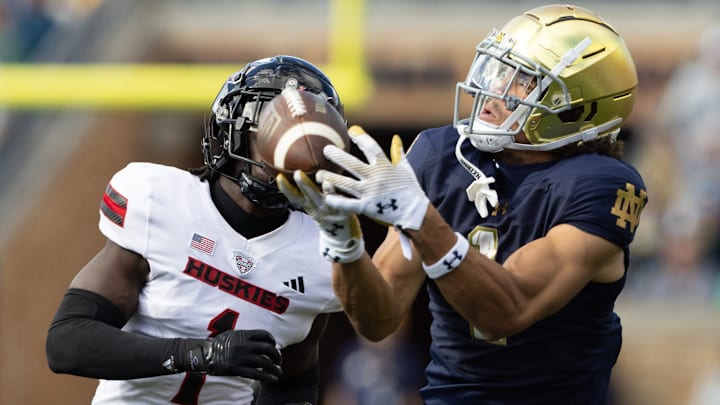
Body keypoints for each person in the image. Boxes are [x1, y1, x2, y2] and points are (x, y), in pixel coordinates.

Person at [278, 4, 648, 404]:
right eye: (499, 68)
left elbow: (506, 310)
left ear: (575, 108)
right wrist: (344, 248)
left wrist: (421, 218)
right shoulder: (442, 156)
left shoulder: (602, 183)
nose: (494, 88)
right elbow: (379, 318)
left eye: (522, 79)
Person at [45, 55, 346, 405]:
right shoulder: (160, 199)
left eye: (302, 134)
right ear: (234, 126)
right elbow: (67, 341)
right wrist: (202, 354)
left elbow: (293, 385)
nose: (284, 146)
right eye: (273, 126)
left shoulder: (320, 252)